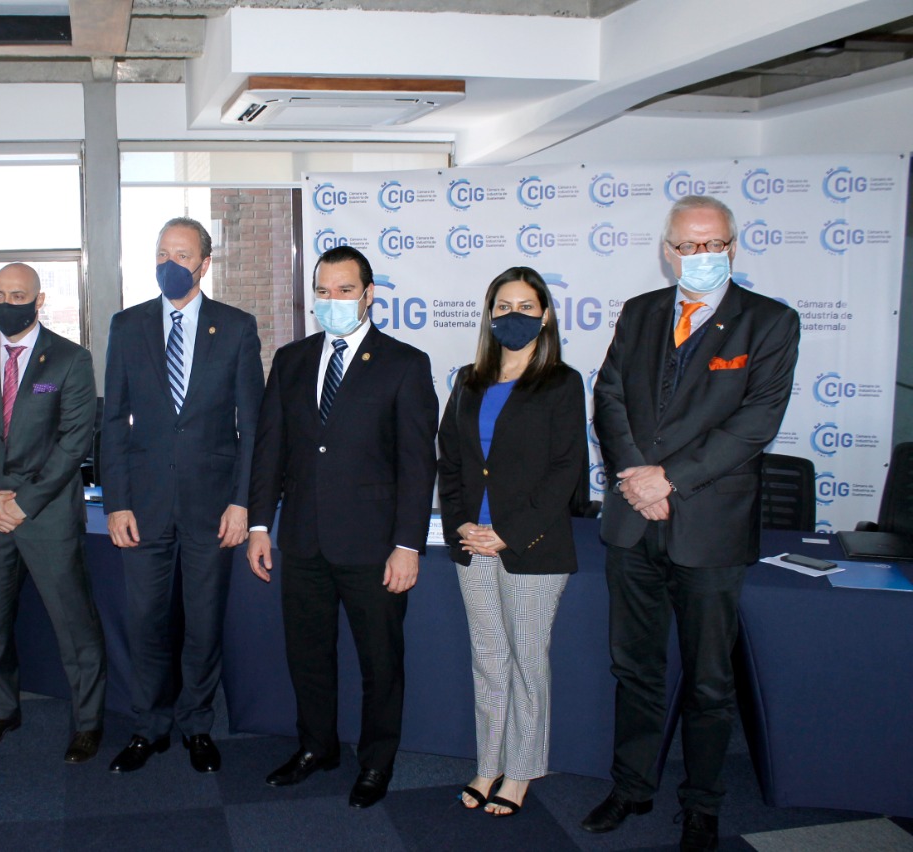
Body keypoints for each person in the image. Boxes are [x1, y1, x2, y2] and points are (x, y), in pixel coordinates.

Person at [582, 195, 799, 852]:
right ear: (667, 250)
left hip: (708, 528)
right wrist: (635, 476)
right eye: (687, 246)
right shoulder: (641, 312)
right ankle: (631, 786)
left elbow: (755, 423)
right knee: (635, 667)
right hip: (632, 523)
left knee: (709, 680)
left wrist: (668, 479)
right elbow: (609, 397)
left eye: (714, 245)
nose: (700, 257)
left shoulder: (769, 322)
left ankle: (702, 802)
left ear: (732, 247)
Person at [247, 244, 438, 809]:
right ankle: (317, 747)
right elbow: (269, 450)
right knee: (308, 655)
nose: (332, 302)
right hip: (302, 540)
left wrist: (408, 545)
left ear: (369, 294)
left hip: (374, 546)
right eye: (323, 292)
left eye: (344, 291)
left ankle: (376, 762)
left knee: (381, 662)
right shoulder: (291, 359)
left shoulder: (405, 363)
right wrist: (260, 526)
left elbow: (416, 463)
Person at [101, 217, 264, 774]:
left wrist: (242, 502)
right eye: (162, 251)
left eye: (182, 253)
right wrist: (115, 501)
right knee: (145, 621)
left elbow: (253, 426)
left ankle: (197, 725)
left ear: (204, 263)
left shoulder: (237, 327)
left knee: (203, 622)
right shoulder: (128, 325)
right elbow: (112, 422)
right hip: (141, 507)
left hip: (212, 507)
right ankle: (149, 727)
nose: (171, 261)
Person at [437, 267, 586, 816]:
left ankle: (522, 771)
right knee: (489, 659)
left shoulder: (562, 382)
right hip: (472, 545)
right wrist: (461, 525)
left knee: (527, 661)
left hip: (532, 549)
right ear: (489, 313)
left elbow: (566, 468)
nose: (513, 316)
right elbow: (449, 461)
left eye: (526, 306)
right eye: (503, 306)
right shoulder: (467, 380)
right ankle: (487, 763)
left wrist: (508, 533)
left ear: (545, 315)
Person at [0, 262, 106, 763]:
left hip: (47, 516)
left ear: (39, 301)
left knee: (73, 626)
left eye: (17, 294)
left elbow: (74, 441)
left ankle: (87, 722)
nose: (5, 302)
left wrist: (25, 502)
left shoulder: (70, 359)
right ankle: (1, 710)